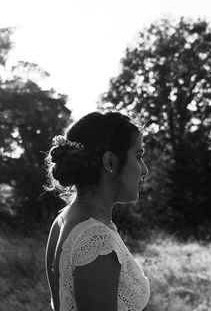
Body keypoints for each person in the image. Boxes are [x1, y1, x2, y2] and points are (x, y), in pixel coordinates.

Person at [44, 111, 150, 311]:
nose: (144, 170)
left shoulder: (63, 219)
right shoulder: (97, 240)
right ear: (110, 162)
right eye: (138, 156)